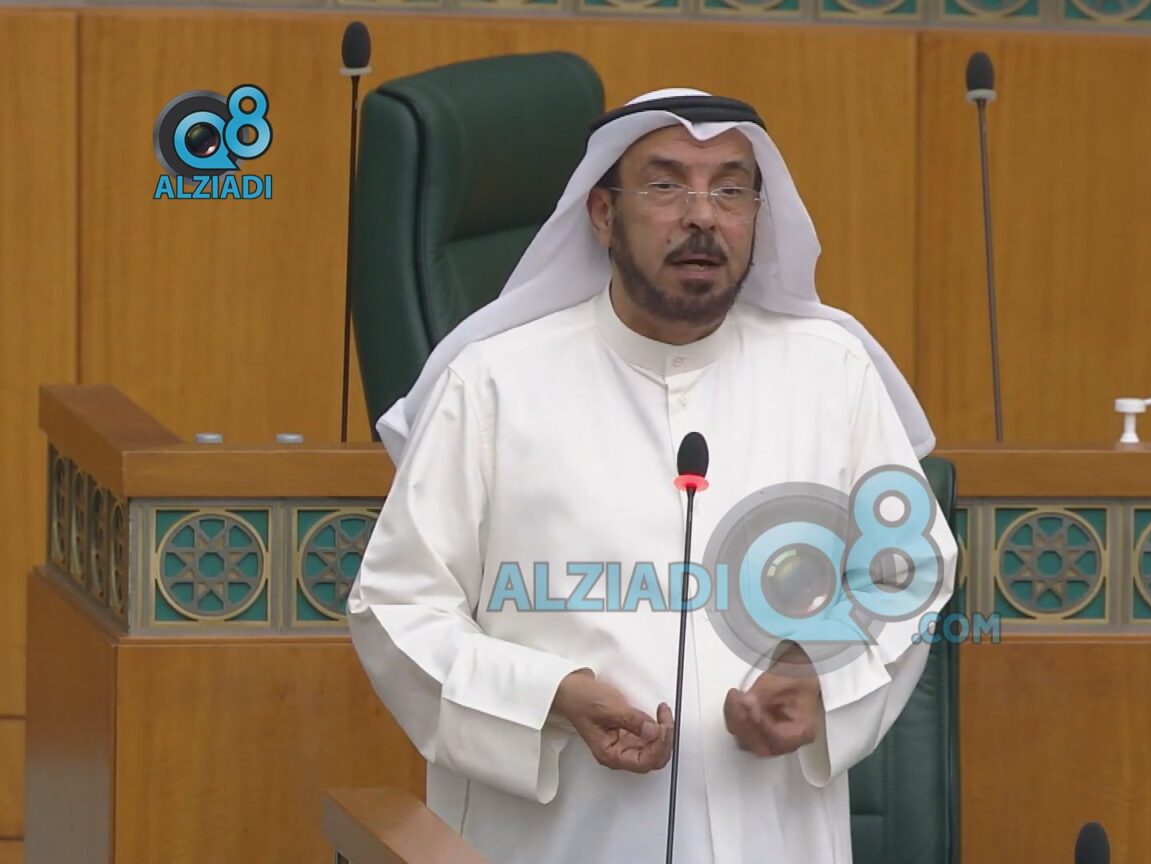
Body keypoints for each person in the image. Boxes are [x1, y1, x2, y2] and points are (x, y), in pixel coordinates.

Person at [347, 87, 958, 864]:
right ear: (603, 214)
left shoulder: (830, 374)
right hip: (557, 842)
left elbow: (906, 568)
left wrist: (818, 670)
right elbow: (398, 605)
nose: (703, 216)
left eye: (730, 190)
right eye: (666, 186)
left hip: (769, 835)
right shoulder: (496, 382)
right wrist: (551, 697)